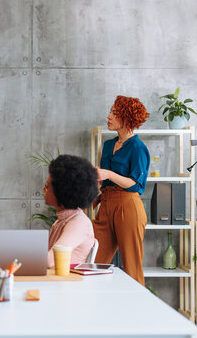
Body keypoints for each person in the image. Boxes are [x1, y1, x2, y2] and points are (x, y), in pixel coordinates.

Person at [92, 95, 150, 286]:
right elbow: (104, 180)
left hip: (128, 207)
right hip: (106, 205)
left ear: (126, 118)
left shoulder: (138, 148)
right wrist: (97, 196)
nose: (108, 116)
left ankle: (138, 313)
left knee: (132, 268)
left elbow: (136, 184)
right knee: (92, 264)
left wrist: (108, 173)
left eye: (114, 113)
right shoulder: (108, 145)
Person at [44, 154, 98, 267]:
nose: (43, 189)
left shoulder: (78, 223)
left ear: (62, 191)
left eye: (47, 187)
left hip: (68, 283)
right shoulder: (62, 220)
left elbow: (51, 260)